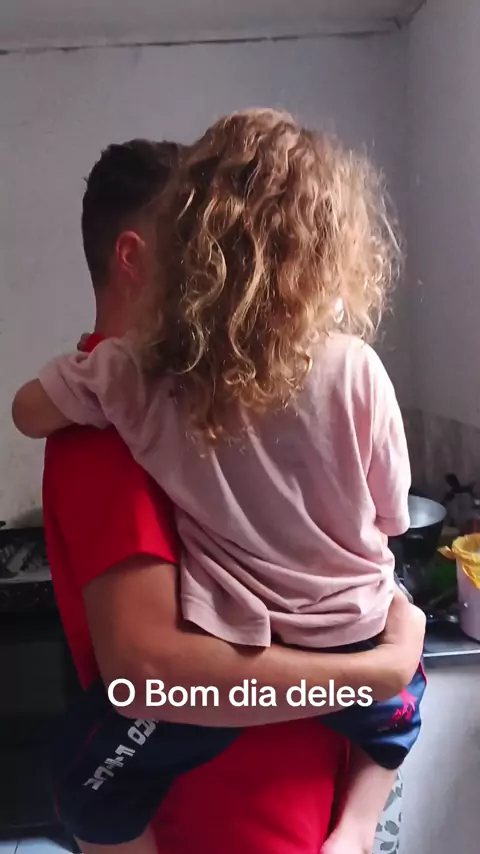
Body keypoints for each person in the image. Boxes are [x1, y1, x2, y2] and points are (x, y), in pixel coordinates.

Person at [24, 135, 424, 854]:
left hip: (306, 816)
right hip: (227, 831)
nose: (221, 270)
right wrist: (375, 671)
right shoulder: (110, 426)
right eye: (199, 246)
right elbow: (153, 677)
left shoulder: (219, 394)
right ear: (135, 256)